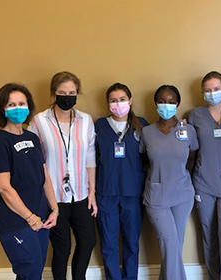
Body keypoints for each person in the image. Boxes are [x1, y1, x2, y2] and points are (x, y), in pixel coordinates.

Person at [0, 83, 58, 280]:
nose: (18, 108)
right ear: (2, 109)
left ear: (28, 106)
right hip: (17, 221)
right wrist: (30, 218)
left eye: (21, 103)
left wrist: (54, 208)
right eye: (11, 104)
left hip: (41, 216)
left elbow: (44, 177)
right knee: (30, 269)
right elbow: (3, 187)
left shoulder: (32, 138)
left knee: (35, 271)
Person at [29, 71, 97, 280]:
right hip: (53, 198)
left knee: (87, 242)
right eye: (62, 92)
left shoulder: (86, 120)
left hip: (80, 194)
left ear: (77, 94)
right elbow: (34, 160)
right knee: (62, 248)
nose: (67, 96)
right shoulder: (39, 121)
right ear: (53, 94)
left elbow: (90, 159)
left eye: (72, 92)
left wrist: (92, 192)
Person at [139, 85, 198, 280]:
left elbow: (191, 159)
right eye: (162, 101)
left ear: (177, 104)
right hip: (157, 197)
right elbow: (143, 161)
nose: (167, 105)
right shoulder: (147, 133)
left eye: (171, 102)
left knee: (173, 247)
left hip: (182, 197)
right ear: (155, 104)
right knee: (170, 244)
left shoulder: (188, 130)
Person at [188, 71, 221, 280]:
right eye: (208, 90)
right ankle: (214, 276)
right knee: (209, 235)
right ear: (203, 93)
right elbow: (189, 148)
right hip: (203, 184)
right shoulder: (195, 115)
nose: (212, 93)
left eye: (216, 89)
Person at [95, 83, 148, 280]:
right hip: (106, 192)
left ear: (130, 100)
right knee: (108, 243)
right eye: (113, 100)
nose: (119, 104)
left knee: (131, 243)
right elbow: (92, 158)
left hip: (132, 192)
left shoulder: (141, 125)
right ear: (108, 104)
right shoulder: (99, 125)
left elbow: (153, 152)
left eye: (122, 99)